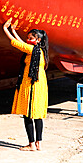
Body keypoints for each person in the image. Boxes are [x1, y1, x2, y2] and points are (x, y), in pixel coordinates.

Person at [3, 18, 49, 151]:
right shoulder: (39, 51)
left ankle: (31, 145)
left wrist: (6, 29)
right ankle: (38, 143)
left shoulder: (31, 50)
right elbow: (23, 43)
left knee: (28, 114)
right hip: (40, 84)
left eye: (31, 38)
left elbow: (17, 44)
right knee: (38, 115)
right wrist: (14, 30)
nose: (28, 40)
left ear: (38, 40)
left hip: (31, 84)